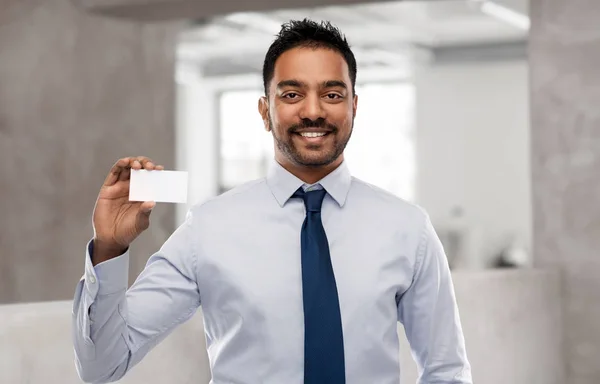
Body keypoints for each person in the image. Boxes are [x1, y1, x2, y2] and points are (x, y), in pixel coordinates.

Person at [72, 19, 472, 384]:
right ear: (266, 111)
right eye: (292, 94)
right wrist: (109, 248)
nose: (313, 111)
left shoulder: (407, 229)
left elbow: (446, 371)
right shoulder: (209, 228)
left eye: (332, 94)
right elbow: (101, 366)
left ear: (354, 106)